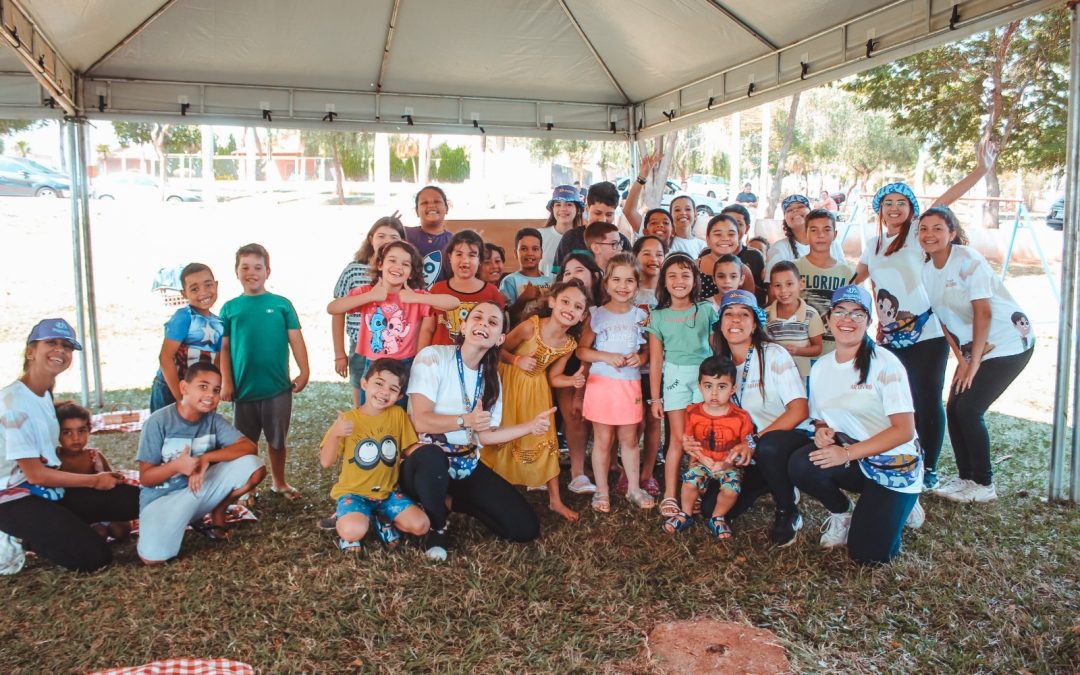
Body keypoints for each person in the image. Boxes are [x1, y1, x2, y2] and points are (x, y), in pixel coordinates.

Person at [403, 302, 556, 560]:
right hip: (422, 465)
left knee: (524, 528)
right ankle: (438, 527)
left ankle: (450, 501)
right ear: (464, 325)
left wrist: (529, 427)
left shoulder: (492, 378)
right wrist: (466, 421)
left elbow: (485, 436)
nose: (483, 324)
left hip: (465, 463)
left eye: (493, 322)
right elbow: (421, 422)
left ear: (500, 339)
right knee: (432, 457)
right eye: (477, 317)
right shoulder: (433, 357)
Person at [788, 285, 922, 565]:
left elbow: (904, 430)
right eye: (840, 312)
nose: (846, 320)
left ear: (868, 322)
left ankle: (904, 504)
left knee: (868, 555)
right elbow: (821, 417)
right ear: (828, 319)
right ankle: (844, 512)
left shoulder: (886, 364)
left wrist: (846, 453)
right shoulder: (822, 367)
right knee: (802, 464)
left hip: (894, 464)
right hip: (859, 461)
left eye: (857, 314)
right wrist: (823, 430)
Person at [0, 319, 139, 573]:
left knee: (136, 499)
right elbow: (35, 473)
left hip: (46, 490)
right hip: (12, 499)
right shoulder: (13, 402)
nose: (60, 351)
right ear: (30, 351)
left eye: (67, 346)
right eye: (51, 343)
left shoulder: (44, 392)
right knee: (95, 557)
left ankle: (61, 524)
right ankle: (17, 535)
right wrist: (95, 481)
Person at [918, 206, 1034, 502]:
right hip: (975, 349)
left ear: (952, 233)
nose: (929, 234)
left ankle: (983, 484)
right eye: (924, 229)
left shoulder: (968, 261)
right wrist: (961, 359)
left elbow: (983, 312)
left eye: (937, 229)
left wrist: (975, 361)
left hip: (1008, 342)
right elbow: (943, 320)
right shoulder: (928, 269)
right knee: (954, 407)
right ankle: (965, 477)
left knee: (970, 408)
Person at [707, 290, 810, 547]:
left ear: (755, 324)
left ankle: (787, 509)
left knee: (770, 447)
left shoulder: (773, 354)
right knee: (712, 509)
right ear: (720, 324)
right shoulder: (721, 366)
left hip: (787, 440)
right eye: (729, 314)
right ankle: (772, 479)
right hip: (750, 450)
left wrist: (752, 442)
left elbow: (799, 410)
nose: (736, 321)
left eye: (744, 315)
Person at [136, 362, 266, 564]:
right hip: (162, 499)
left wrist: (205, 459)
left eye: (216, 390)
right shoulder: (158, 421)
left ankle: (218, 511)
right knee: (153, 559)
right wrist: (176, 466)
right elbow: (146, 478)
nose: (210, 395)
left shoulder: (213, 420)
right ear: (184, 388)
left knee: (252, 467)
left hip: (198, 489)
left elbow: (249, 447)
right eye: (203, 387)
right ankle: (179, 522)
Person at [481, 282, 588, 521]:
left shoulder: (569, 344)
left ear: (583, 315)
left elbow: (553, 377)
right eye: (565, 301)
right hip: (509, 384)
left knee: (545, 438)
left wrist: (572, 381)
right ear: (552, 302)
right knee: (503, 432)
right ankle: (488, 489)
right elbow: (498, 348)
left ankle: (555, 500)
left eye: (578, 306)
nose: (570, 308)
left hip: (537, 390)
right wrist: (517, 360)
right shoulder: (531, 327)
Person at [219, 243, 309, 500]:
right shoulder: (229, 308)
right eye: (245, 267)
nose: (251, 272)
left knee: (277, 440)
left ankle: (279, 482)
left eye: (258, 267)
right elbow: (223, 348)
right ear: (236, 272)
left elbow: (296, 340)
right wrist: (227, 381)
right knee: (246, 444)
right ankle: (250, 488)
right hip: (243, 390)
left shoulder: (281, 305)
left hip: (277, 389)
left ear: (267, 271)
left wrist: (304, 371)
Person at [319, 358, 430, 552]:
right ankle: (347, 520)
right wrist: (336, 434)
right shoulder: (348, 419)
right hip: (353, 494)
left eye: (393, 389)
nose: (384, 392)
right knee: (353, 530)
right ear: (364, 383)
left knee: (421, 526)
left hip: (387, 494)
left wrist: (432, 455)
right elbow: (326, 462)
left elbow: (408, 449)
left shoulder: (397, 415)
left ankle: (381, 518)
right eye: (378, 383)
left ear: (400, 395)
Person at [327, 240, 458, 396]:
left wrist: (417, 298)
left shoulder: (415, 297)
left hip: (405, 364)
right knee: (371, 411)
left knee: (400, 413)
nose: (398, 267)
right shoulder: (367, 292)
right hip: (373, 364)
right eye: (392, 260)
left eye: (405, 264)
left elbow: (453, 303)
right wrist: (370, 296)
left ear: (412, 273)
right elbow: (333, 308)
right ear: (381, 265)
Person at [577, 254, 654, 512]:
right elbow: (581, 351)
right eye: (617, 279)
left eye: (629, 280)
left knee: (630, 439)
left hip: (629, 386)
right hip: (601, 386)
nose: (623, 286)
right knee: (602, 440)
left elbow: (648, 353)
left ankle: (633, 488)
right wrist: (606, 357)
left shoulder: (641, 317)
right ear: (607, 284)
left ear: (637, 284)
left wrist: (640, 357)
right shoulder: (597, 315)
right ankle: (601, 491)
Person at [646, 253, 718, 518]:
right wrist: (655, 398)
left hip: (705, 378)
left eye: (686, 275)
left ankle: (694, 491)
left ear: (696, 280)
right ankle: (669, 494)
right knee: (678, 438)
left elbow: (715, 349)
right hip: (675, 377)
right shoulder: (658, 316)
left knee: (700, 437)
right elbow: (656, 361)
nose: (679, 281)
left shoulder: (707, 310)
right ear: (663, 281)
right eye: (672, 275)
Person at [665, 356, 755, 539]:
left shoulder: (741, 417)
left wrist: (727, 463)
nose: (714, 393)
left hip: (728, 465)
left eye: (721, 386)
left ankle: (718, 517)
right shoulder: (692, 412)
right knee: (690, 483)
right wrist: (701, 458)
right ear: (699, 387)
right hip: (702, 461)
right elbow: (689, 440)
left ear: (733, 389)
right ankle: (686, 513)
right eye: (708, 386)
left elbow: (746, 444)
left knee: (730, 490)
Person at [332, 215, 406, 406]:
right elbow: (337, 310)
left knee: (392, 399)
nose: (386, 241)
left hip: (395, 348)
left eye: (394, 238)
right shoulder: (354, 270)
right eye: (381, 236)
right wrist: (340, 353)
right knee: (363, 401)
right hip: (360, 346)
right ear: (370, 238)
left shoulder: (404, 273)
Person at [553, 254, 604, 494]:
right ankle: (577, 471)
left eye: (579, 270)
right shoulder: (563, 308)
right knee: (574, 416)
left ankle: (603, 462)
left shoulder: (605, 307)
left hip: (603, 368)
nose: (573, 276)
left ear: (594, 275)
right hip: (570, 367)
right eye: (567, 272)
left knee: (599, 420)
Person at [150, 262, 223, 413]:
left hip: (200, 390)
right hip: (172, 388)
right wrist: (181, 398)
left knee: (200, 434)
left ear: (216, 285)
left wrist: (212, 393)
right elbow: (165, 357)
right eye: (194, 289)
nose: (203, 293)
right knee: (168, 433)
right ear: (184, 294)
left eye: (208, 285)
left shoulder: (219, 323)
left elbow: (218, 361)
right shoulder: (183, 317)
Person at [56, 401, 131, 541]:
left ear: (89, 430)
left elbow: (113, 486)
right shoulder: (54, 460)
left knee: (121, 530)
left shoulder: (94, 457)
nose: (76, 438)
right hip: (74, 512)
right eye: (67, 432)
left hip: (99, 507)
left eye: (81, 431)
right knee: (98, 534)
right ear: (56, 434)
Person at [420, 230, 506, 347]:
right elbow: (427, 330)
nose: (465, 260)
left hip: (477, 363)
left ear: (479, 259)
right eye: (459, 254)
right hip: (439, 362)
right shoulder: (437, 290)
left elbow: (499, 332)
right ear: (450, 257)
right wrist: (420, 361)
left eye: (472, 255)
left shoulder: (492, 293)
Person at [631, 237, 667, 498]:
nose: (653, 258)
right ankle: (627, 470)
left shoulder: (667, 293)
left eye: (659, 253)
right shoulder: (627, 290)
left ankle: (648, 472)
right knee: (632, 422)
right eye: (646, 253)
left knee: (654, 421)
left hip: (660, 369)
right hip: (630, 369)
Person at [795, 209, 855, 358]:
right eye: (814, 230)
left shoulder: (847, 272)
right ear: (805, 234)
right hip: (801, 351)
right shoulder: (793, 268)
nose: (820, 235)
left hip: (835, 353)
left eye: (826, 230)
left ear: (835, 234)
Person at [764, 261, 824, 383]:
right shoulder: (765, 315)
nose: (784, 290)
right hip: (772, 375)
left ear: (801, 284)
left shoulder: (810, 314)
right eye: (777, 285)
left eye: (789, 284)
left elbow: (817, 348)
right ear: (771, 289)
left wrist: (797, 351)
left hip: (801, 376)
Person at [765, 195, 846, 282]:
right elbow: (772, 286)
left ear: (810, 213)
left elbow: (844, 277)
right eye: (789, 210)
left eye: (800, 206)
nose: (795, 210)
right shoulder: (779, 248)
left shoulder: (833, 244)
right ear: (785, 220)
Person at [553, 181, 629, 273]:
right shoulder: (570, 238)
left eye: (609, 214)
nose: (603, 220)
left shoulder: (622, 242)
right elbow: (559, 277)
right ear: (587, 208)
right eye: (597, 213)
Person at [500, 228, 555, 324]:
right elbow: (504, 318)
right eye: (524, 249)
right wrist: (523, 299)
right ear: (515, 253)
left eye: (535, 249)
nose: (530, 253)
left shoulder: (552, 281)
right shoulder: (510, 281)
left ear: (541, 253)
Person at [406, 185, 454, 289]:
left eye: (437, 201)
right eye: (424, 203)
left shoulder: (455, 242)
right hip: (408, 300)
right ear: (417, 211)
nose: (431, 206)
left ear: (446, 208)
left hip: (442, 301)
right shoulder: (404, 234)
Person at [699, 214, 757, 299]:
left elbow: (749, 304)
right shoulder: (694, 266)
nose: (725, 238)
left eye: (731, 234)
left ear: (738, 239)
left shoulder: (744, 271)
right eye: (718, 234)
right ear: (707, 238)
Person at [720, 204, 767, 305]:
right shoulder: (707, 254)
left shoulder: (755, 256)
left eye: (739, 224)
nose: (733, 228)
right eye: (728, 223)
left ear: (747, 228)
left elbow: (762, 294)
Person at [539, 185, 584, 275]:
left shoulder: (585, 237)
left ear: (578, 210)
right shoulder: (539, 235)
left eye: (569, 204)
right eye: (558, 204)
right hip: (545, 288)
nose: (563, 209)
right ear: (552, 209)